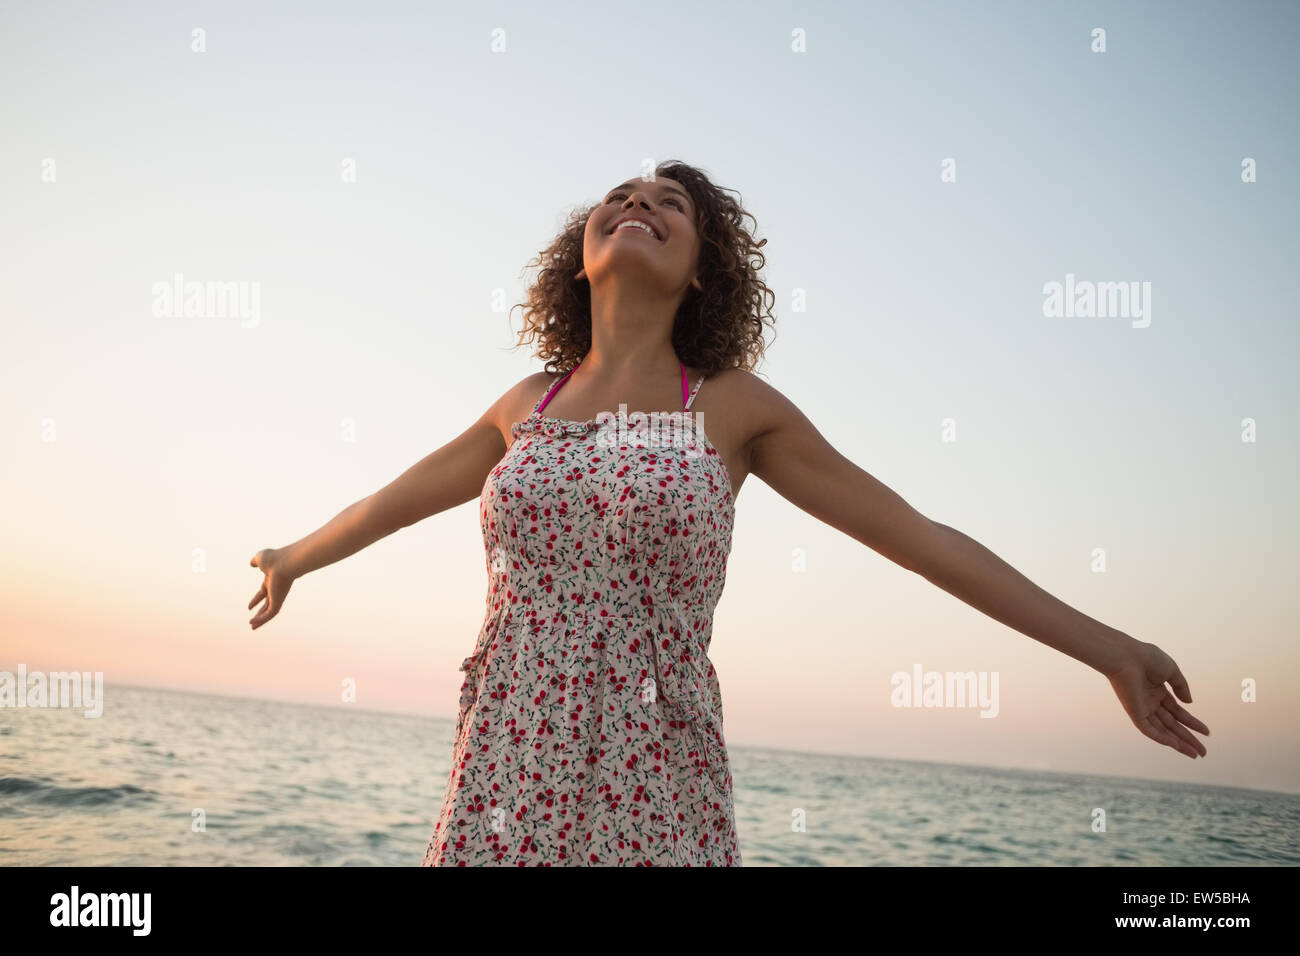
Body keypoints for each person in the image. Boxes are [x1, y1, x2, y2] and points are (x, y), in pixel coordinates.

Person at [247, 159, 1210, 867]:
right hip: (510, 747)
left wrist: (1107, 649)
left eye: (670, 204)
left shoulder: (732, 407)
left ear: (703, 269)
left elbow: (922, 541)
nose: (638, 205)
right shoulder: (524, 407)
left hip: (653, 762)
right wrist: (294, 557)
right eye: (619, 198)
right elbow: (392, 502)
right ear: (579, 261)